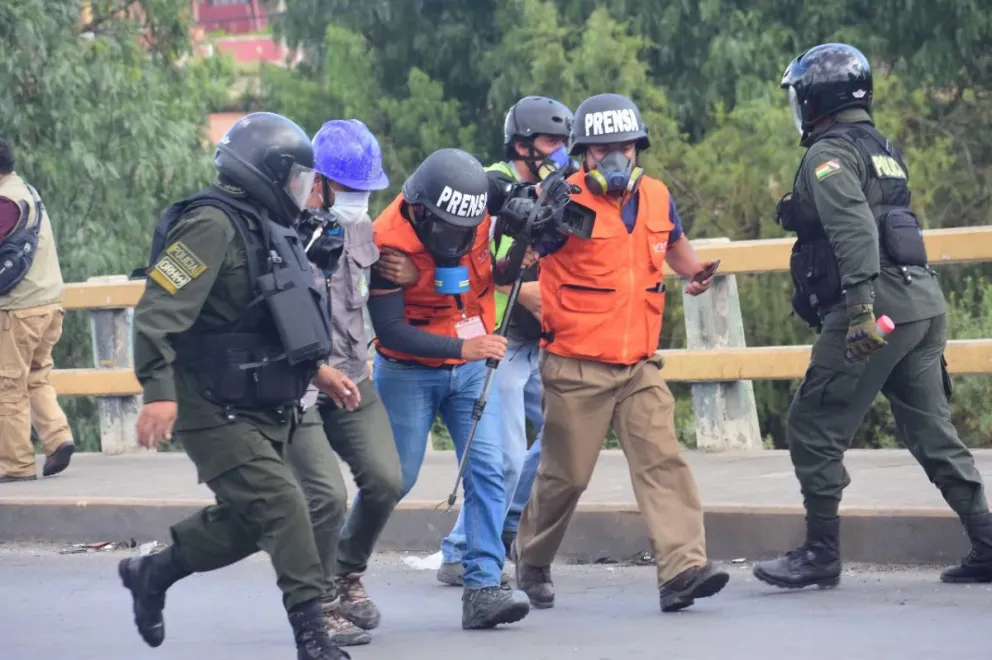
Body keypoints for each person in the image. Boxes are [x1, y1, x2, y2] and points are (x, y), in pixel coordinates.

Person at [753, 42, 992, 589]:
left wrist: (859, 308)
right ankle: (987, 540)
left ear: (816, 100)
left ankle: (820, 552)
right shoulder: (883, 148)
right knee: (931, 429)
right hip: (921, 304)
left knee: (813, 423)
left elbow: (856, 229)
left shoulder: (828, 153)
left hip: (874, 308)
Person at [119, 112, 353, 660]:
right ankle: (313, 639)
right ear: (265, 172)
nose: (300, 192)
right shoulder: (209, 224)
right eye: (295, 179)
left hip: (263, 399)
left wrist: (315, 369)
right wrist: (159, 392)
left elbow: (271, 314)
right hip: (210, 402)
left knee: (256, 519)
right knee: (285, 504)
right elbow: (156, 313)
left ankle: (152, 573)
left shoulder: (267, 224)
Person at [512, 92, 731, 614]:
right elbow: (517, 261)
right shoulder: (562, 199)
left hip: (638, 364)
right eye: (602, 149)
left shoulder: (656, 196)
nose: (615, 158)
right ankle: (531, 557)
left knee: (663, 462)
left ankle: (682, 570)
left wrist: (695, 272)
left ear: (638, 148)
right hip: (576, 363)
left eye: (625, 147)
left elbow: (672, 244)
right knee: (566, 477)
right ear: (583, 153)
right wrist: (531, 222)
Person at [375, 97, 573, 584]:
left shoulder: (513, 195)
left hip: (499, 346)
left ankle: (486, 561)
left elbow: (489, 273)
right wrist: (471, 323)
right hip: (459, 351)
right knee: (405, 476)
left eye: (564, 142)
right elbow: (401, 319)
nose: (559, 151)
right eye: (550, 142)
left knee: (518, 455)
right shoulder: (460, 197)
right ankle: (346, 562)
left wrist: (524, 251)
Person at [367, 147, 531, 629]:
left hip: (471, 365)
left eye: (467, 230)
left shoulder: (482, 199)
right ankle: (336, 572)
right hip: (409, 370)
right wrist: (465, 348)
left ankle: (483, 586)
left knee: (488, 470)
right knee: (394, 479)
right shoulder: (386, 240)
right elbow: (391, 330)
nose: (458, 239)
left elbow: (489, 275)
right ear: (421, 211)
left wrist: (522, 241)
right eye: (446, 230)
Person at [287, 119, 404, 647]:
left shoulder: (360, 227)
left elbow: (367, 287)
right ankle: (317, 606)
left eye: (365, 189)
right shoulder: (282, 230)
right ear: (317, 182)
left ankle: (345, 573)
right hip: (299, 386)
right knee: (326, 497)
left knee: (385, 479)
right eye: (349, 188)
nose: (359, 199)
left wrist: (404, 275)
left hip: (353, 372)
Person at [0, 138, 74, 483]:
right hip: (48, 304)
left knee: (7, 386)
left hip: (18, 310)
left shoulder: (5, 202)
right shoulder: (25, 191)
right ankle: (58, 438)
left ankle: (15, 464)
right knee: (35, 376)